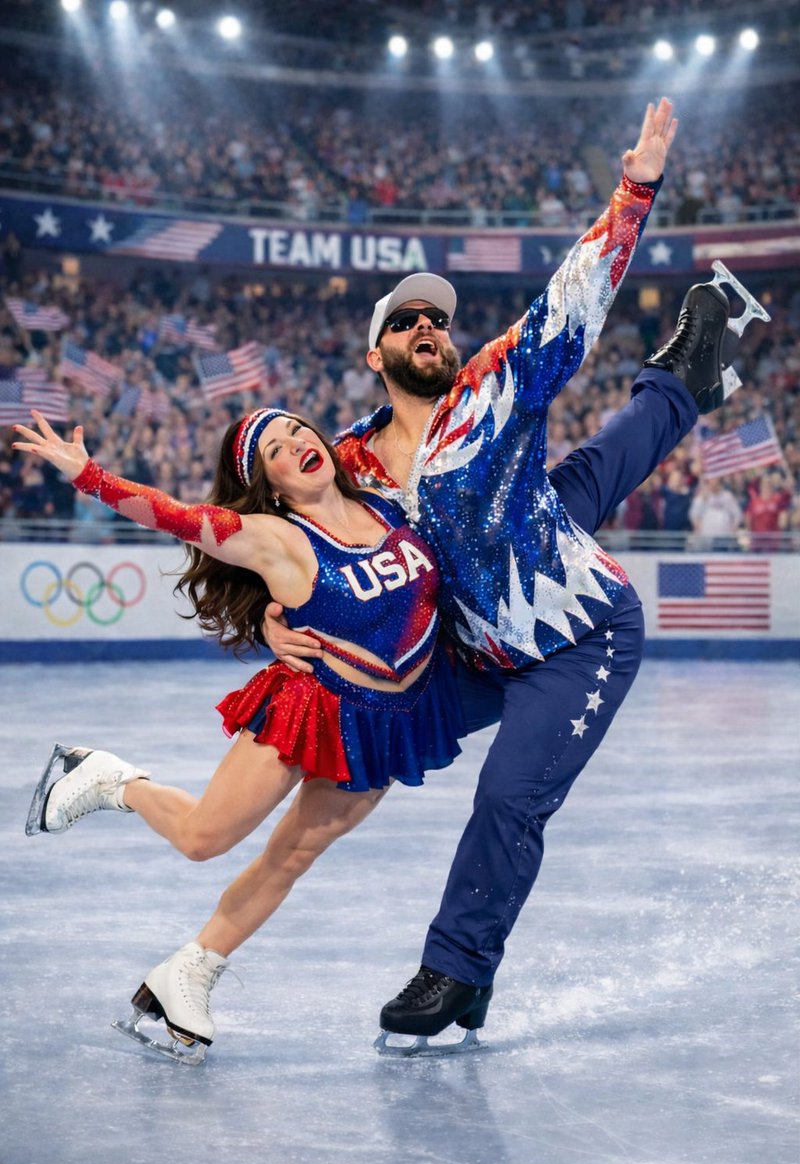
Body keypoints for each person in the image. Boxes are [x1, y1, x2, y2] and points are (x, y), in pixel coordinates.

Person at [263, 99, 763, 1052]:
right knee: (582, 482)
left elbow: (572, 297)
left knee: (508, 796)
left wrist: (637, 187)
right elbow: (267, 533)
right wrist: (267, 621)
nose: (427, 325)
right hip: (476, 625)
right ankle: (685, 378)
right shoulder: (349, 461)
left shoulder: (492, 383)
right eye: (405, 319)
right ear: (376, 353)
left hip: (572, 630)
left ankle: (457, 967)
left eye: (437, 319)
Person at [13, 406, 466, 1062]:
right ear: (272, 483)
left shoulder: (391, 505)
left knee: (293, 856)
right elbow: (174, 514)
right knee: (204, 839)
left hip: (387, 726)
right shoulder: (271, 537)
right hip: (310, 706)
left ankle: (190, 972)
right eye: (275, 449)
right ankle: (111, 780)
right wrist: (89, 476)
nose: (295, 445)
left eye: (297, 431)